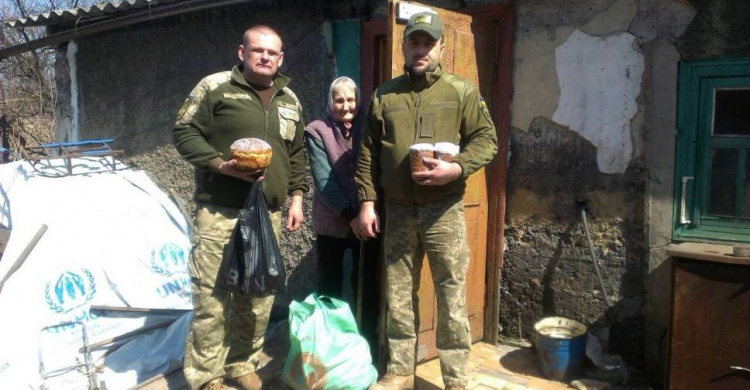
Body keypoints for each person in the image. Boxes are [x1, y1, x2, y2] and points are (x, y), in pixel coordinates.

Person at [355, 12, 498, 390]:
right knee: (398, 296)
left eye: (428, 43)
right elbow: (368, 152)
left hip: (444, 211)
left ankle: (455, 380)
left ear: (442, 48)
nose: (421, 50)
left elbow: (487, 140)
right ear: (404, 46)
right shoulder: (385, 95)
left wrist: (458, 169)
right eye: (414, 42)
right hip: (398, 210)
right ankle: (400, 372)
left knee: (451, 295)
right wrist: (368, 202)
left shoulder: (461, 91)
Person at [173, 25, 307, 390]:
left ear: (281, 58)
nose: (264, 57)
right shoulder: (215, 87)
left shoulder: (290, 100)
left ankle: (242, 363)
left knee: (259, 295)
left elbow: (295, 154)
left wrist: (297, 197)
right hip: (220, 211)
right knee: (212, 297)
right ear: (241, 52)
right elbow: (183, 132)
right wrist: (221, 165)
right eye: (257, 50)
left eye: (272, 52)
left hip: (267, 214)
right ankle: (207, 376)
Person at [303, 76, 379, 357]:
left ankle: (367, 345)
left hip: (367, 217)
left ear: (358, 100)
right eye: (339, 99)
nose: (346, 105)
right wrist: (351, 215)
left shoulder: (368, 126)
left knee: (366, 285)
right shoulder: (316, 130)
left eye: (351, 99)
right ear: (330, 102)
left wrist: (364, 212)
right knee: (330, 285)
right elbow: (324, 180)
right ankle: (329, 347)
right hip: (332, 220)